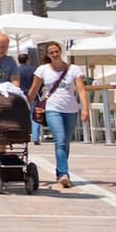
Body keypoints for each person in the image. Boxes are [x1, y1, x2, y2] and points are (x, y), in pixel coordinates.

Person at [33, 41, 88, 188]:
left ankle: (59, 171)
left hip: (71, 109)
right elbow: (33, 90)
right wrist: (23, 104)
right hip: (53, 108)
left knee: (66, 143)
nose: (55, 54)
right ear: (48, 55)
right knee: (61, 140)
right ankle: (64, 174)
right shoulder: (42, 70)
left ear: (60, 51)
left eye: (57, 51)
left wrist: (85, 109)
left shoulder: (74, 69)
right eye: (52, 53)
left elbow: (81, 90)